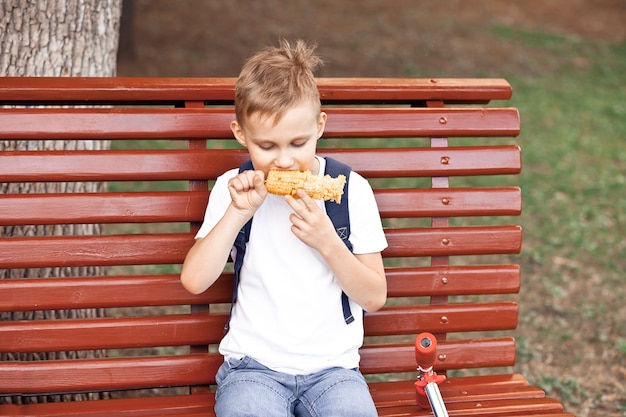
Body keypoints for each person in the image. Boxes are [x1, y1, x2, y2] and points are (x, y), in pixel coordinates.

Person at [180, 39, 388, 417]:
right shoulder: (234, 189)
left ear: (319, 126)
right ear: (241, 134)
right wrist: (237, 214)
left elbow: (374, 296)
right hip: (253, 370)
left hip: (334, 372)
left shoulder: (351, 190)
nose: (285, 161)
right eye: (267, 146)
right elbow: (194, 280)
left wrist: (327, 241)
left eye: (298, 142)